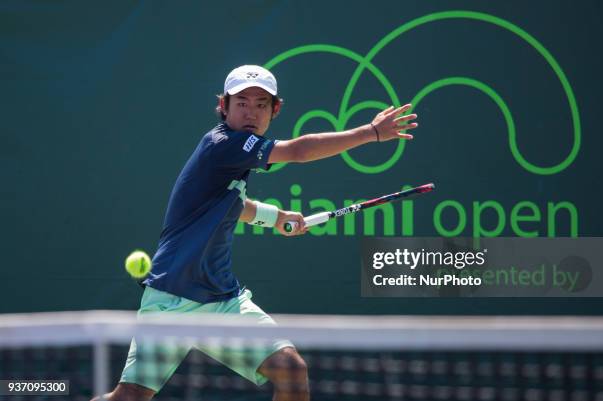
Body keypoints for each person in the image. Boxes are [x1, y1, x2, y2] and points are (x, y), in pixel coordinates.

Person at [92, 65, 418, 401]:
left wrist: (277, 217)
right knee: (129, 397)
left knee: (291, 370)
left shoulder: (234, 159)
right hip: (171, 299)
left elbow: (235, 202)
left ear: (275, 109)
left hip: (222, 299)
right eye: (242, 103)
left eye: (261, 104)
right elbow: (298, 151)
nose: (252, 112)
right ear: (224, 106)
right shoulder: (221, 145)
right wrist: (371, 132)